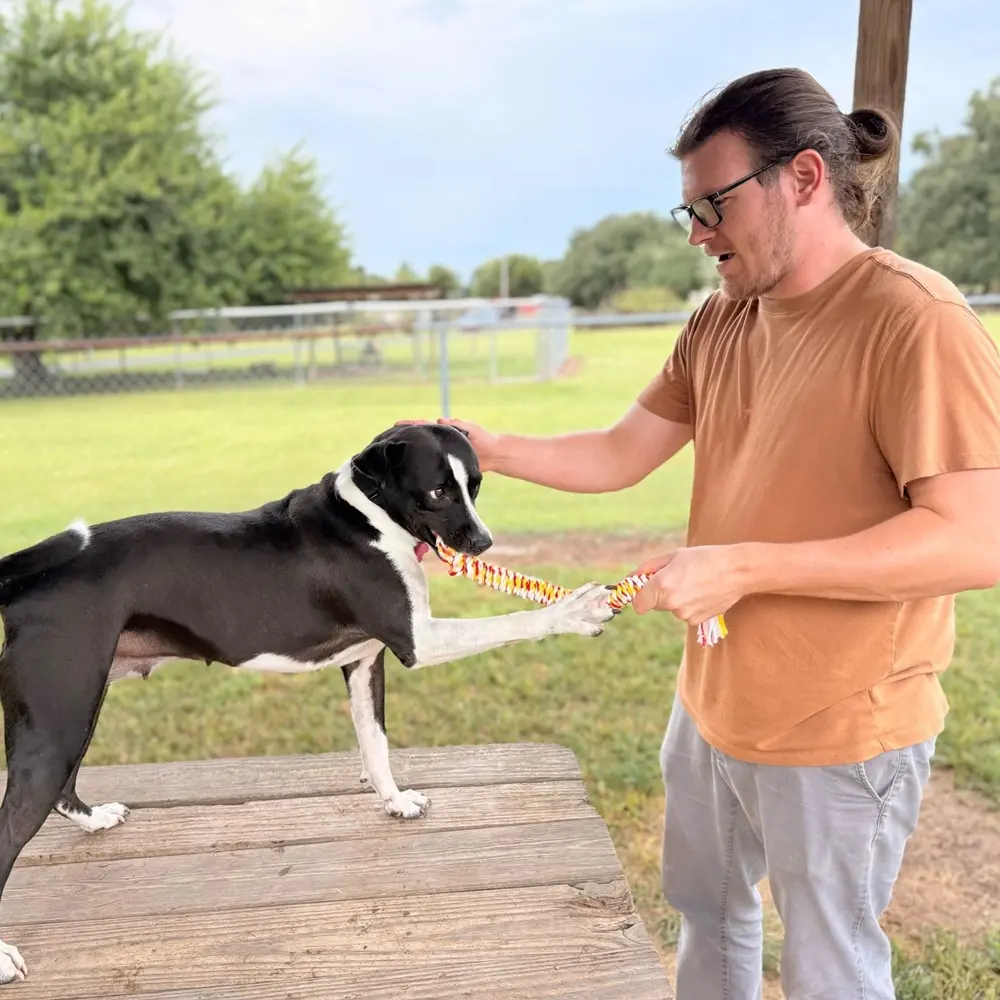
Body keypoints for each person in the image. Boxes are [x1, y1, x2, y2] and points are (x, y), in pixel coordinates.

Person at [399, 67, 1000, 999]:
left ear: (803, 178)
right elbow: (619, 453)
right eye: (687, 210)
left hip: (842, 726)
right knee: (710, 917)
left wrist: (744, 568)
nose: (697, 235)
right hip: (714, 704)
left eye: (713, 205)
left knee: (828, 967)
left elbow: (975, 541)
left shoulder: (915, 321)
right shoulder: (724, 317)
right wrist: (474, 447)